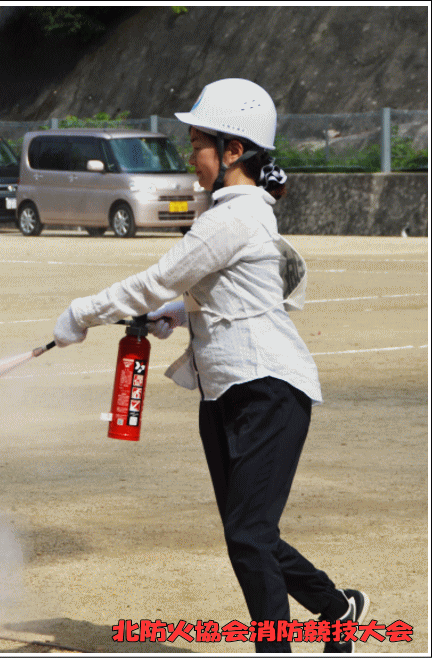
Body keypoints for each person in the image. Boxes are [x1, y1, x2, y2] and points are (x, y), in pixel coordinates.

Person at [52, 79, 369, 653]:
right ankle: (337, 610)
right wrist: (178, 314)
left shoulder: (233, 217)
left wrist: (82, 313)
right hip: (223, 393)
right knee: (250, 534)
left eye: (197, 143)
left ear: (233, 150)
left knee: (249, 535)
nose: (190, 154)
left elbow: (156, 280)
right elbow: (234, 291)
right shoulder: (232, 214)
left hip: (268, 392)